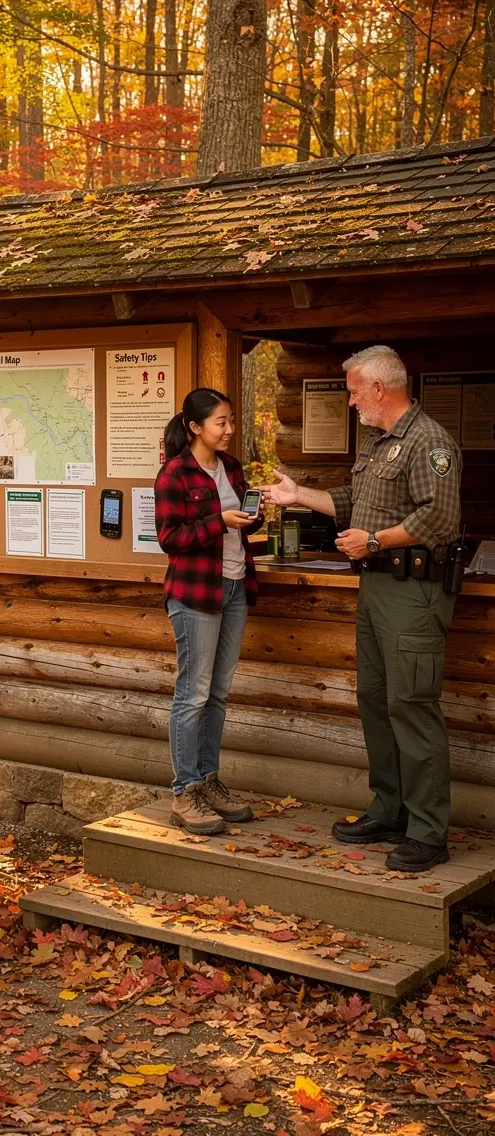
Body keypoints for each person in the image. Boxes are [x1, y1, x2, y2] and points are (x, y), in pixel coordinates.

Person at [265, 346, 461, 873]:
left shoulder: (429, 442)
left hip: (413, 593)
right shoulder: (379, 442)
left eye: (354, 390)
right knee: (376, 700)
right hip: (376, 589)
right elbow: (354, 502)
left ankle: (427, 830)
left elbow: (440, 519)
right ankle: (389, 810)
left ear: (379, 388)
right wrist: (298, 494)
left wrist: (374, 541)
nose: (350, 401)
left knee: (412, 705)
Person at [155, 387, 262, 835]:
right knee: (193, 694)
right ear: (196, 426)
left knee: (218, 694)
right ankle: (185, 791)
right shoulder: (174, 474)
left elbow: (242, 525)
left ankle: (209, 781)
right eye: (221, 422)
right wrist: (218, 521)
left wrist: (253, 515)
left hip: (235, 587)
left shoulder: (232, 468)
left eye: (231, 420)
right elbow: (170, 539)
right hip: (196, 594)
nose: (230, 430)